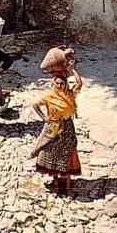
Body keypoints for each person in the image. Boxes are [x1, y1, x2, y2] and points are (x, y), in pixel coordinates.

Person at [30, 46, 82, 195]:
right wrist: (44, 118)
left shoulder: (69, 95)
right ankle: (56, 184)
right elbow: (35, 105)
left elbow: (79, 84)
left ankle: (66, 184)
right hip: (53, 128)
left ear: (65, 84)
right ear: (53, 84)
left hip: (67, 128)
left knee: (67, 155)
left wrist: (72, 71)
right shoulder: (49, 96)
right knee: (51, 154)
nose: (59, 85)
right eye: (57, 83)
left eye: (62, 84)